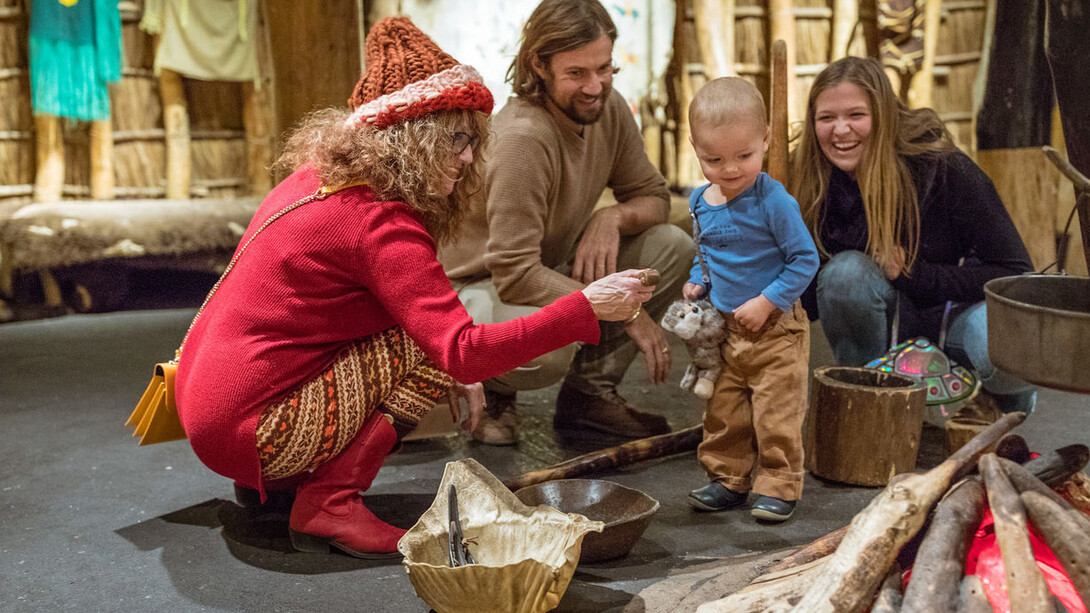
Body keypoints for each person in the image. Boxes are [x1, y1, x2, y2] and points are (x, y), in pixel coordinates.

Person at [173, 17, 657, 559]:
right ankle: (329, 503)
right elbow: (464, 352)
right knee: (429, 351)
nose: (470, 158)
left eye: (473, 140)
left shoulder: (320, 178)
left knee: (424, 339)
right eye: (457, 139)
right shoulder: (380, 221)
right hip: (253, 429)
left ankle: (286, 488)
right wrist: (584, 305)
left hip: (212, 408)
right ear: (414, 138)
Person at [439, 0, 694, 445]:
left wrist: (612, 216)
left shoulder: (607, 107)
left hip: (541, 269)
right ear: (539, 64)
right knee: (551, 347)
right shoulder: (523, 139)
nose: (595, 86)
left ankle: (588, 396)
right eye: (577, 73)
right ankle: (493, 390)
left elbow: (653, 196)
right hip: (473, 289)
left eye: (605, 68)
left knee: (671, 246)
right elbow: (515, 275)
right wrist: (623, 308)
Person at [790, 56, 1036, 414]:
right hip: (890, 325)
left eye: (856, 115)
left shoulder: (943, 168)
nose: (840, 130)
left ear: (884, 115)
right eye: (826, 118)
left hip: (957, 318)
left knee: (1008, 350)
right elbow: (814, 293)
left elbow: (1013, 273)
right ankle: (871, 404)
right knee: (845, 275)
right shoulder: (812, 183)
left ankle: (998, 402)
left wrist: (916, 275)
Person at [681, 78, 819, 522]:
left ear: (766, 139)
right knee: (725, 411)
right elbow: (708, 251)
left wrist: (767, 301)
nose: (731, 169)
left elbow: (804, 260)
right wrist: (697, 280)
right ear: (695, 148)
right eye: (714, 159)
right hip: (725, 331)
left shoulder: (774, 201)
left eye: (744, 155)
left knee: (776, 413)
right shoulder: (701, 201)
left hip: (776, 330)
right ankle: (728, 479)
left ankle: (779, 484)